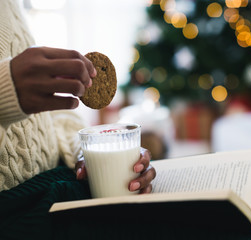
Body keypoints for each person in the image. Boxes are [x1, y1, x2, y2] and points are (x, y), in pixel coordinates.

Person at [0, 0, 155, 193]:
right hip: (14, 207)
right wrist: (5, 89)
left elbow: (44, 121)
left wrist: (83, 155)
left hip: (58, 182)